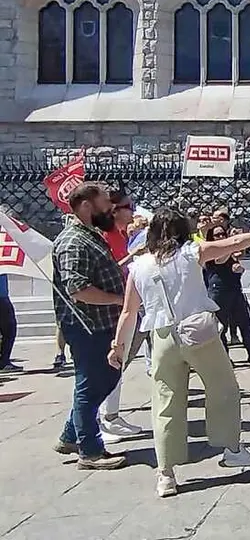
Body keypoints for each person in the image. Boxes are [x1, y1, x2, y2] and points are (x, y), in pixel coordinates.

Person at [108, 209, 250, 497]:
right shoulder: (190, 252)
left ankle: (165, 473)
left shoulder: (139, 266)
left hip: (161, 337)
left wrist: (117, 346)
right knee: (223, 388)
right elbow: (231, 245)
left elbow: (128, 312)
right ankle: (231, 448)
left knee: (165, 402)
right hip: (198, 331)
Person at [51, 182, 128, 469]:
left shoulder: (89, 235)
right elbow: (78, 289)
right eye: (105, 202)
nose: (110, 208)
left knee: (104, 379)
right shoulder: (74, 241)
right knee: (90, 384)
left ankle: (72, 435)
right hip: (86, 325)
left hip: (99, 323)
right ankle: (91, 450)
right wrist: (118, 299)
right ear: (86, 205)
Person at [99, 188, 147, 442]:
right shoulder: (104, 237)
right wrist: (132, 256)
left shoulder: (123, 234)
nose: (134, 210)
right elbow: (106, 273)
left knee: (120, 363)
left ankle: (111, 415)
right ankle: (103, 418)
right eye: (129, 206)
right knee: (112, 362)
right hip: (114, 308)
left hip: (130, 305)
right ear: (115, 210)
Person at [204, 225, 250, 362]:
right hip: (218, 291)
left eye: (223, 234)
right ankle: (224, 357)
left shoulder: (230, 253)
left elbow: (235, 266)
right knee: (221, 326)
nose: (221, 237)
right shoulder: (211, 250)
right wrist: (233, 246)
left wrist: (239, 269)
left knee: (245, 322)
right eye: (217, 235)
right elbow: (219, 260)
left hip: (234, 289)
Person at [0, 275, 18, 373]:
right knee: (9, 329)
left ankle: (4, 360)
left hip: (3, 296)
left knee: (9, 329)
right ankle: (4, 361)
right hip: (1, 298)